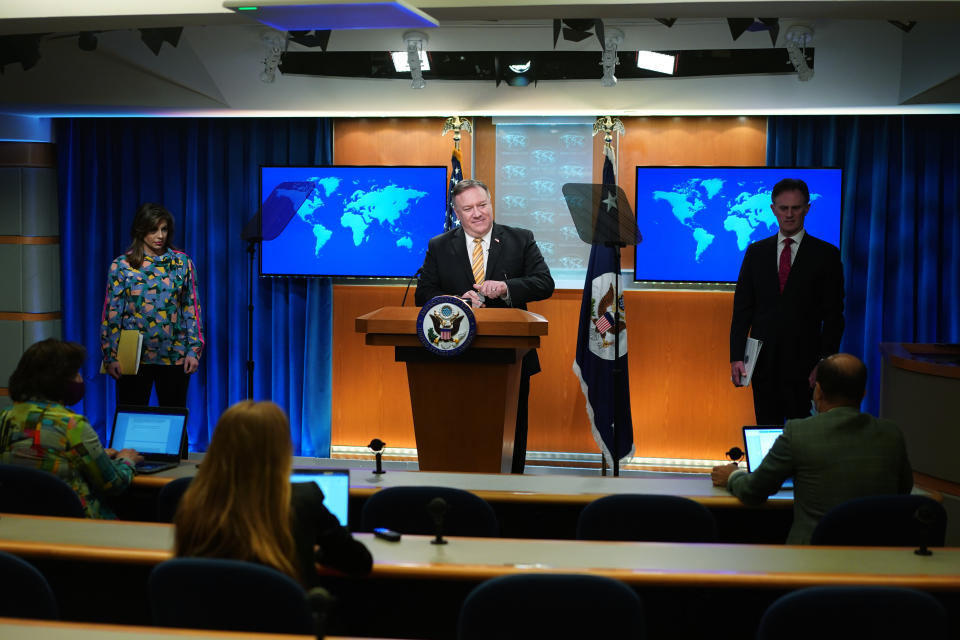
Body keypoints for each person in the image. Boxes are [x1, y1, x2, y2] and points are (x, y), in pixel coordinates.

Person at [415, 179, 555, 474]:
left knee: (511, 433)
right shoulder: (439, 246)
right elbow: (423, 294)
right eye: (468, 208)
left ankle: (511, 490)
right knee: (458, 432)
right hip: (454, 356)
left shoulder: (520, 238)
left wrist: (505, 288)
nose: (477, 213)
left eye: (482, 205)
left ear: (491, 204)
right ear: (457, 213)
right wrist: (456, 302)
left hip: (511, 359)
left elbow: (544, 283)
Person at [712, 353, 913, 544]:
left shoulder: (798, 432)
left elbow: (753, 491)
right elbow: (903, 490)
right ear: (863, 393)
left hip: (811, 557)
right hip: (877, 560)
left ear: (818, 391)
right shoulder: (891, 434)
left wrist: (732, 475)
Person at [173, 400, 372, 586]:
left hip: (206, 622)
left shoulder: (194, 501)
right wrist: (315, 554)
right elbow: (360, 562)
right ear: (281, 451)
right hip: (282, 621)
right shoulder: (303, 500)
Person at [729, 178, 845, 425]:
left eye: (796, 208)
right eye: (783, 208)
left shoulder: (826, 255)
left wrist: (824, 364)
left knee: (802, 434)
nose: (789, 215)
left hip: (805, 367)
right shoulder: (755, 252)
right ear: (773, 209)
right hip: (762, 365)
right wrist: (736, 357)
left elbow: (834, 315)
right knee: (766, 431)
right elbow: (742, 310)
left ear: (807, 208)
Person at [0, 339, 143, 519]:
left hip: (18, 527)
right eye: (75, 373)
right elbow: (113, 484)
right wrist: (126, 460)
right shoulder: (72, 425)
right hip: (77, 528)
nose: (80, 379)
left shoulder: (5, 418)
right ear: (58, 381)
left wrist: (97, 455)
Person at [101, 202, 204, 407]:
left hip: (174, 356)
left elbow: (191, 309)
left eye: (164, 229)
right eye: (154, 229)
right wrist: (110, 355)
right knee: (132, 420)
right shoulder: (122, 266)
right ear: (140, 230)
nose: (160, 236)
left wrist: (194, 350)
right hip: (133, 358)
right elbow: (112, 313)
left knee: (174, 421)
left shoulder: (182, 263)